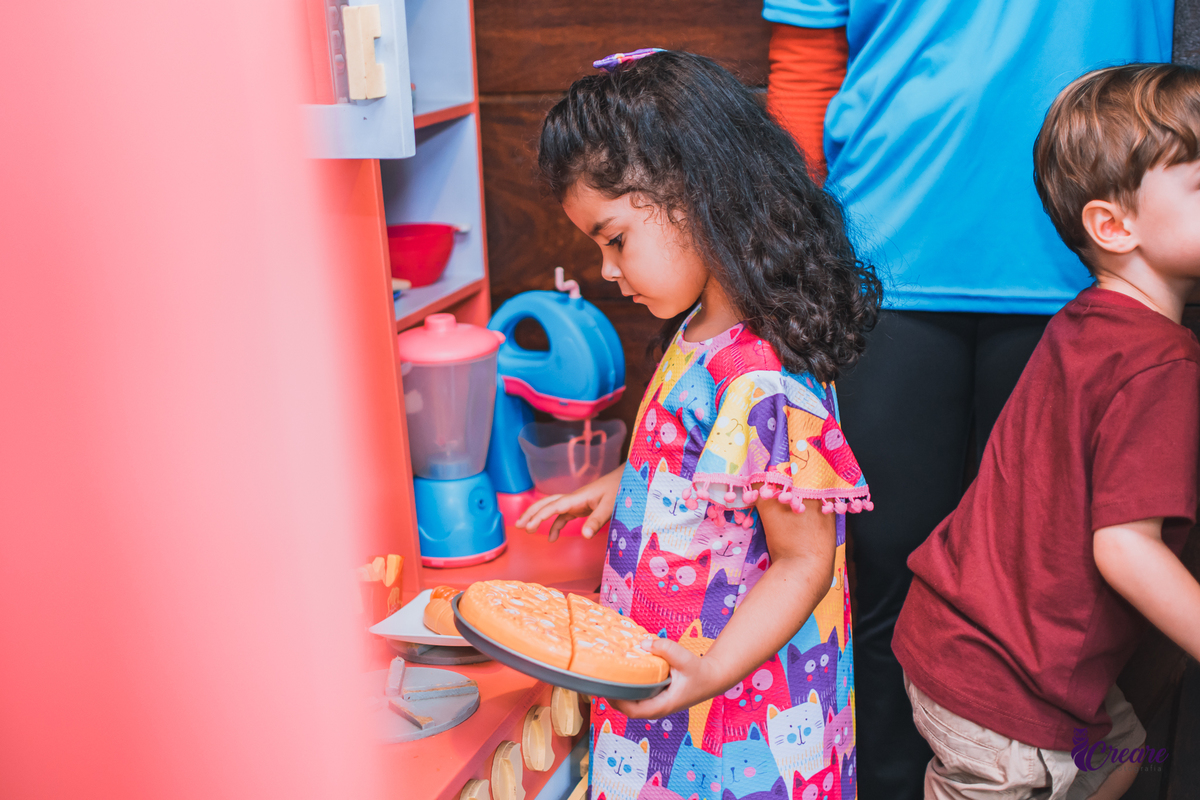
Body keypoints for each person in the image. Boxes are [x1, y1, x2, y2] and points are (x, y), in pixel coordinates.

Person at [760, 3, 1177, 797]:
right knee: (882, 585)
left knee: (1081, 605)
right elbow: (807, 60)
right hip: (884, 253)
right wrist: (799, 253)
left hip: (1105, 254)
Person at [516, 50, 881, 800]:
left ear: (697, 195)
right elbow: (712, 459)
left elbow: (802, 561)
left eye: (615, 239)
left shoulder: (764, 375)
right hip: (680, 692)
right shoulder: (699, 334)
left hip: (739, 716)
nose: (608, 270)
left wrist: (711, 671)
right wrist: (631, 481)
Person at [891, 63, 1200, 800]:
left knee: (1126, 750)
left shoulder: (1087, 322)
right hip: (1002, 696)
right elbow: (1125, 548)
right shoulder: (1160, 364)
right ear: (1113, 225)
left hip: (964, 641)